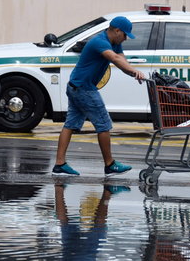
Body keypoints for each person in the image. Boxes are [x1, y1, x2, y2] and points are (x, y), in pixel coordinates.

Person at [52, 16, 146, 176]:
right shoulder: (100, 42)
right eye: (125, 35)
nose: (125, 39)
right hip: (84, 89)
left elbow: (121, 58)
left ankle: (59, 164)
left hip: (76, 86)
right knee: (103, 124)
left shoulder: (114, 43)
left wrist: (132, 72)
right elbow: (115, 59)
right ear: (117, 31)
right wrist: (133, 71)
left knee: (70, 124)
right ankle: (109, 164)